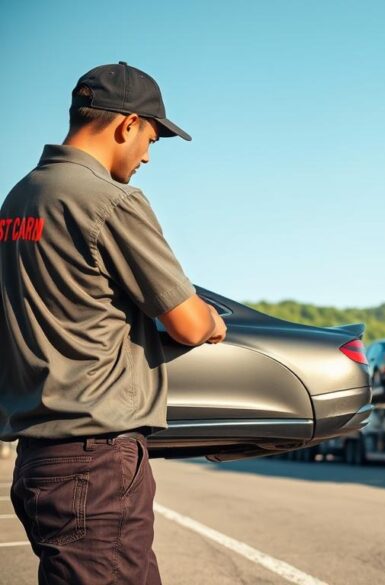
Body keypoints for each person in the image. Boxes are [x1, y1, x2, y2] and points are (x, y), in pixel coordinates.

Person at [0, 61, 226, 584]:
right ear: (126, 124)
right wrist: (214, 321)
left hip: (38, 460)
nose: (147, 154)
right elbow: (188, 323)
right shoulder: (107, 200)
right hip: (94, 465)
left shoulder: (19, 199)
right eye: (150, 138)